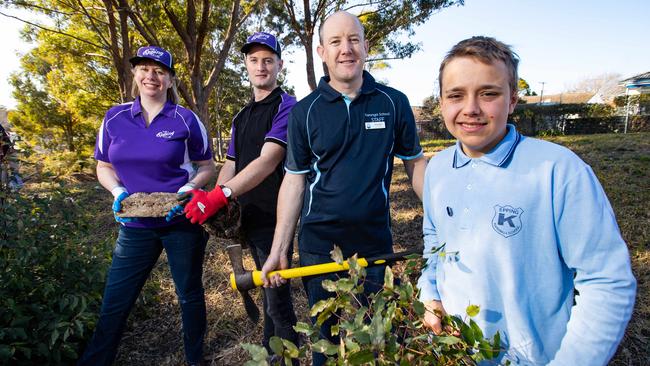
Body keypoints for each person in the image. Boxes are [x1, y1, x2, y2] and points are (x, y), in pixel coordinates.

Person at [417, 36, 636, 365]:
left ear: (513, 99)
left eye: (488, 93)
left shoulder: (559, 171)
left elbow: (607, 282)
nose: (471, 108)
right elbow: (435, 240)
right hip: (457, 353)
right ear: (442, 103)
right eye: (456, 95)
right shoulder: (437, 169)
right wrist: (431, 292)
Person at [260, 11, 427, 365]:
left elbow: (414, 163)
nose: (346, 49)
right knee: (327, 339)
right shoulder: (304, 112)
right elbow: (294, 179)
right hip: (319, 246)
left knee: (377, 337)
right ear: (322, 51)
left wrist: (446, 221)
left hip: (374, 244)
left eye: (353, 39)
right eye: (335, 41)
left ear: (366, 47)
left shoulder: (393, 102)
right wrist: (279, 249)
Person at [78, 45, 215, 366]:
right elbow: (103, 166)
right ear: (135, 74)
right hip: (135, 223)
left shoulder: (185, 119)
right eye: (144, 69)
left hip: (180, 221)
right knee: (115, 301)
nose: (151, 76)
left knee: (189, 295)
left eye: (160, 71)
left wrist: (189, 188)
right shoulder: (115, 117)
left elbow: (206, 165)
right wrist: (116, 192)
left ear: (169, 79)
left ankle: (196, 359)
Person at [182, 31, 299, 354]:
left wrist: (222, 195)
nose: (261, 67)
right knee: (265, 289)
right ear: (245, 64)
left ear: (279, 66)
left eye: (268, 61)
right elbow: (231, 162)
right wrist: (212, 197)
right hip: (247, 217)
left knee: (277, 298)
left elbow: (268, 159)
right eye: (254, 60)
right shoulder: (241, 115)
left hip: (275, 216)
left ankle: (287, 356)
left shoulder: (288, 107)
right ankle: (270, 350)